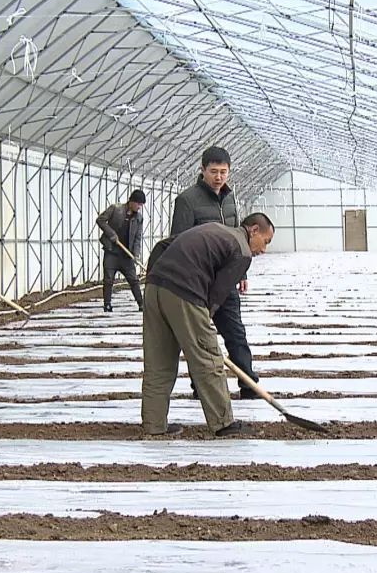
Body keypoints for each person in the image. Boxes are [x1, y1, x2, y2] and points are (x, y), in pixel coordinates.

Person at [142, 213, 275, 436]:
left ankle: (154, 425)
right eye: (266, 241)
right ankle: (223, 424)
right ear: (253, 230)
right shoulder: (242, 251)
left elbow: (162, 245)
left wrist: (152, 278)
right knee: (209, 359)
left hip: (154, 288)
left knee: (159, 362)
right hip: (185, 292)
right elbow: (217, 295)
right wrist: (204, 328)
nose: (264, 249)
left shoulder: (213, 228)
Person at [170, 147, 259, 399]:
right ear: (202, 170)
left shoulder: (231, 200)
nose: (219, 177)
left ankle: (249, 385)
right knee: (200, 339)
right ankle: (203, 388)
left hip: (227, 279)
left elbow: (239, 240)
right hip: (198, 284)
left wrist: (241, 273)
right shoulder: (187, 201)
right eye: (213, 172)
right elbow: (178, 243)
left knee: (235, 333)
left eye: (223, 172)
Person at [97, 190, 146, 312]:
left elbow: (138, 238)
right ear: (131, 202)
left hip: (126, 255)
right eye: (138, 204)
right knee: (108, 280)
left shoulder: (139, 218)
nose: (139, 207)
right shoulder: (116, 209)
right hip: (112, 252)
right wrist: (111, 234)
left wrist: (136, 254)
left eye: (141, 205)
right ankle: (107, 305)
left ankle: (142, 304)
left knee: (134, 280)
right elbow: (100, 220)